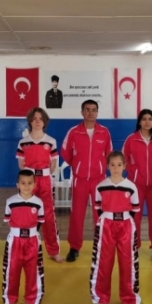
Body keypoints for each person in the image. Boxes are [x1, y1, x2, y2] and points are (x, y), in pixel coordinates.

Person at [61, 100, 113, 262]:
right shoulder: (74, 132)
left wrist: (101, 168)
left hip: (99, 180)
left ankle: (101, 245)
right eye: (87, 109)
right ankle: (74, 247)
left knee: (100, 214)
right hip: (80, 180)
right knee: (77, 215)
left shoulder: (104, 132)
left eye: (93, 110)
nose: (90, 112)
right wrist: (78, 166)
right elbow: (65, 152)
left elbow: (109, 154)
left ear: (97, 112)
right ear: (82, 112)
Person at [90, 151, 141, 304]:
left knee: (127, 262)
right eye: (112, 165)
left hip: (126, 225)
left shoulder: (131, 186)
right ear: (107, 166)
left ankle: (129, 297)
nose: (116, 168)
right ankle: (101, 297)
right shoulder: (101, 186)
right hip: (106, 225)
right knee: (103, 262)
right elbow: (97, 207)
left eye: (119, 165)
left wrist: (123, 218)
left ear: (125, 166)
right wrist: (110, 217)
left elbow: (135, 209)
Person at [122, 109, 152, 262]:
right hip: (135, 185)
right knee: (135, 217)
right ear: (139, 122)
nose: (147, 122)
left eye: (150, 119)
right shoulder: (131, 139)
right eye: (144, 119)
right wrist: (134, 172)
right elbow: (123, 159)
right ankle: (134, 245)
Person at [16, 107, 63, 262]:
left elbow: (53, 165)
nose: (37, 121)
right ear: (30, 121)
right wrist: (28, 180)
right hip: (29, 182)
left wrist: (43, 174)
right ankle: (25, 248)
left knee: (48, 216)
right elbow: (21, 165)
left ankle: (53, 250)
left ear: (45, 122)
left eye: (40, 118)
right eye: (34, 118)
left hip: (45, 181)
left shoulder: (51, 141)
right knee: (27, 214)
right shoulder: (23, 142)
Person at [2, 169, 45, 304]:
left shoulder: (38, 202)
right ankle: (10, 297)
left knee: (33, 270)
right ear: (17, 185)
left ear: (34, 185)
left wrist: (31, 233)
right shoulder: (10, 202)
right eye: (23, 183)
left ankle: (32, 298)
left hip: (32, 240)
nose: (26, 186)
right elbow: (8, 220)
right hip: (15, 240)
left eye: (30, 183)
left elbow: (40, 222)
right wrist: (18, 232)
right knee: (12, 270)